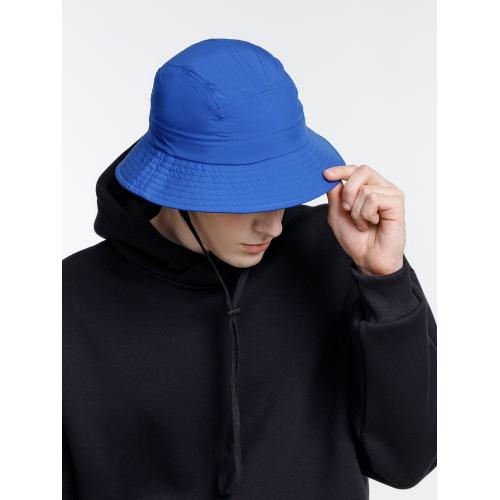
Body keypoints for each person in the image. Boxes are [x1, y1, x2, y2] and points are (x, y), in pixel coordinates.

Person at [63, 38, 436, 499]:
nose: (273, 225)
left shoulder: (338, 253)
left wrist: (386, 282)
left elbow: (409, 462)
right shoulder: (69, 303)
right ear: (177, 182)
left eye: (279, 191)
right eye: (245, 197)